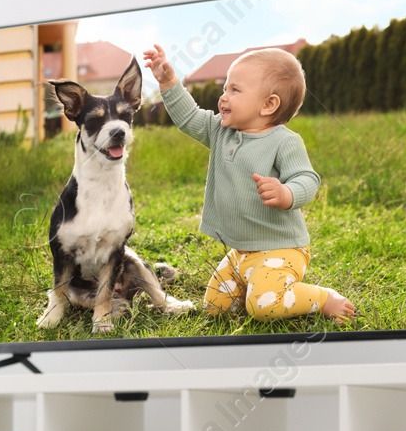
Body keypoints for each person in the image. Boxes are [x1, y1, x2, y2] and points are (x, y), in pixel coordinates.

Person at [143, 43, 357, 323]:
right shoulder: (221, 131)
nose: (223, 97)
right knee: (215, 308)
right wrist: (168, 82)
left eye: (235, 90)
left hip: (282, 248)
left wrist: (286, 193)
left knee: (264, 308)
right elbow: (188, 117)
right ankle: (260, 282)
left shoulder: (284, 141)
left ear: (268, 104)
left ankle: (323, 297)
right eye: (224, 88)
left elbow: (307, 179)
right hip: (241, 251)